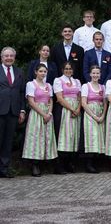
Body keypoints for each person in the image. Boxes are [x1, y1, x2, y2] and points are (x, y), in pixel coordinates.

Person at [22, 64, 57, 177]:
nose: (43, 73)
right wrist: (43, 114)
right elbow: (31, 102)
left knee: (46, 137)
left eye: (44, 71)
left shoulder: (48, 85)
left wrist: (49, 113)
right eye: (41, 71)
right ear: (36, 72)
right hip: (37, 113)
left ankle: (44, 162)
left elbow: (51, 100)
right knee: (36, 137)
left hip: (47, 113)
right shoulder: (31, 84)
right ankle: (34, 164)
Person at [0, 47, 26, 178]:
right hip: (0, 110)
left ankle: (4, 169)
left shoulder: (19, 71)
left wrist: (22, 110)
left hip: (13, 112)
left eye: (11, 56)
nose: (9, 58)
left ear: (14, 58)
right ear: (2, 58)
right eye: (6, 56)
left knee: (8, 141)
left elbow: (22, 92)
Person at [53, 62, 82, 173]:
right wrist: (72, 109)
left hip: (75, 110)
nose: (68, 70)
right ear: (62, 69)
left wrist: (78, 109)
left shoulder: (77, 81)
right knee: (63, 136)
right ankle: (60, 165)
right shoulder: (58, 80)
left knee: (73, 136)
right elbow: (59, 98)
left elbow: (79, 97)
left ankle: (70, 163)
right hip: (64, 110)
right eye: (66, 68)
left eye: (70, 69)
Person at [81, 65, 107, 174]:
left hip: (100, 113)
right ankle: (89, 164)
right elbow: (83, 103)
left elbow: (105, 103)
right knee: (91, 137)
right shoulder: (86, 86)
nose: (95, 75)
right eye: (94, 73)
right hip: (90, 114)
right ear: (90, 74)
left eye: (97, 73)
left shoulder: (103, 87)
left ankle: (96, 163)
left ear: (100, 75)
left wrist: (103, 115)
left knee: (99, 137)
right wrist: (94, 116)